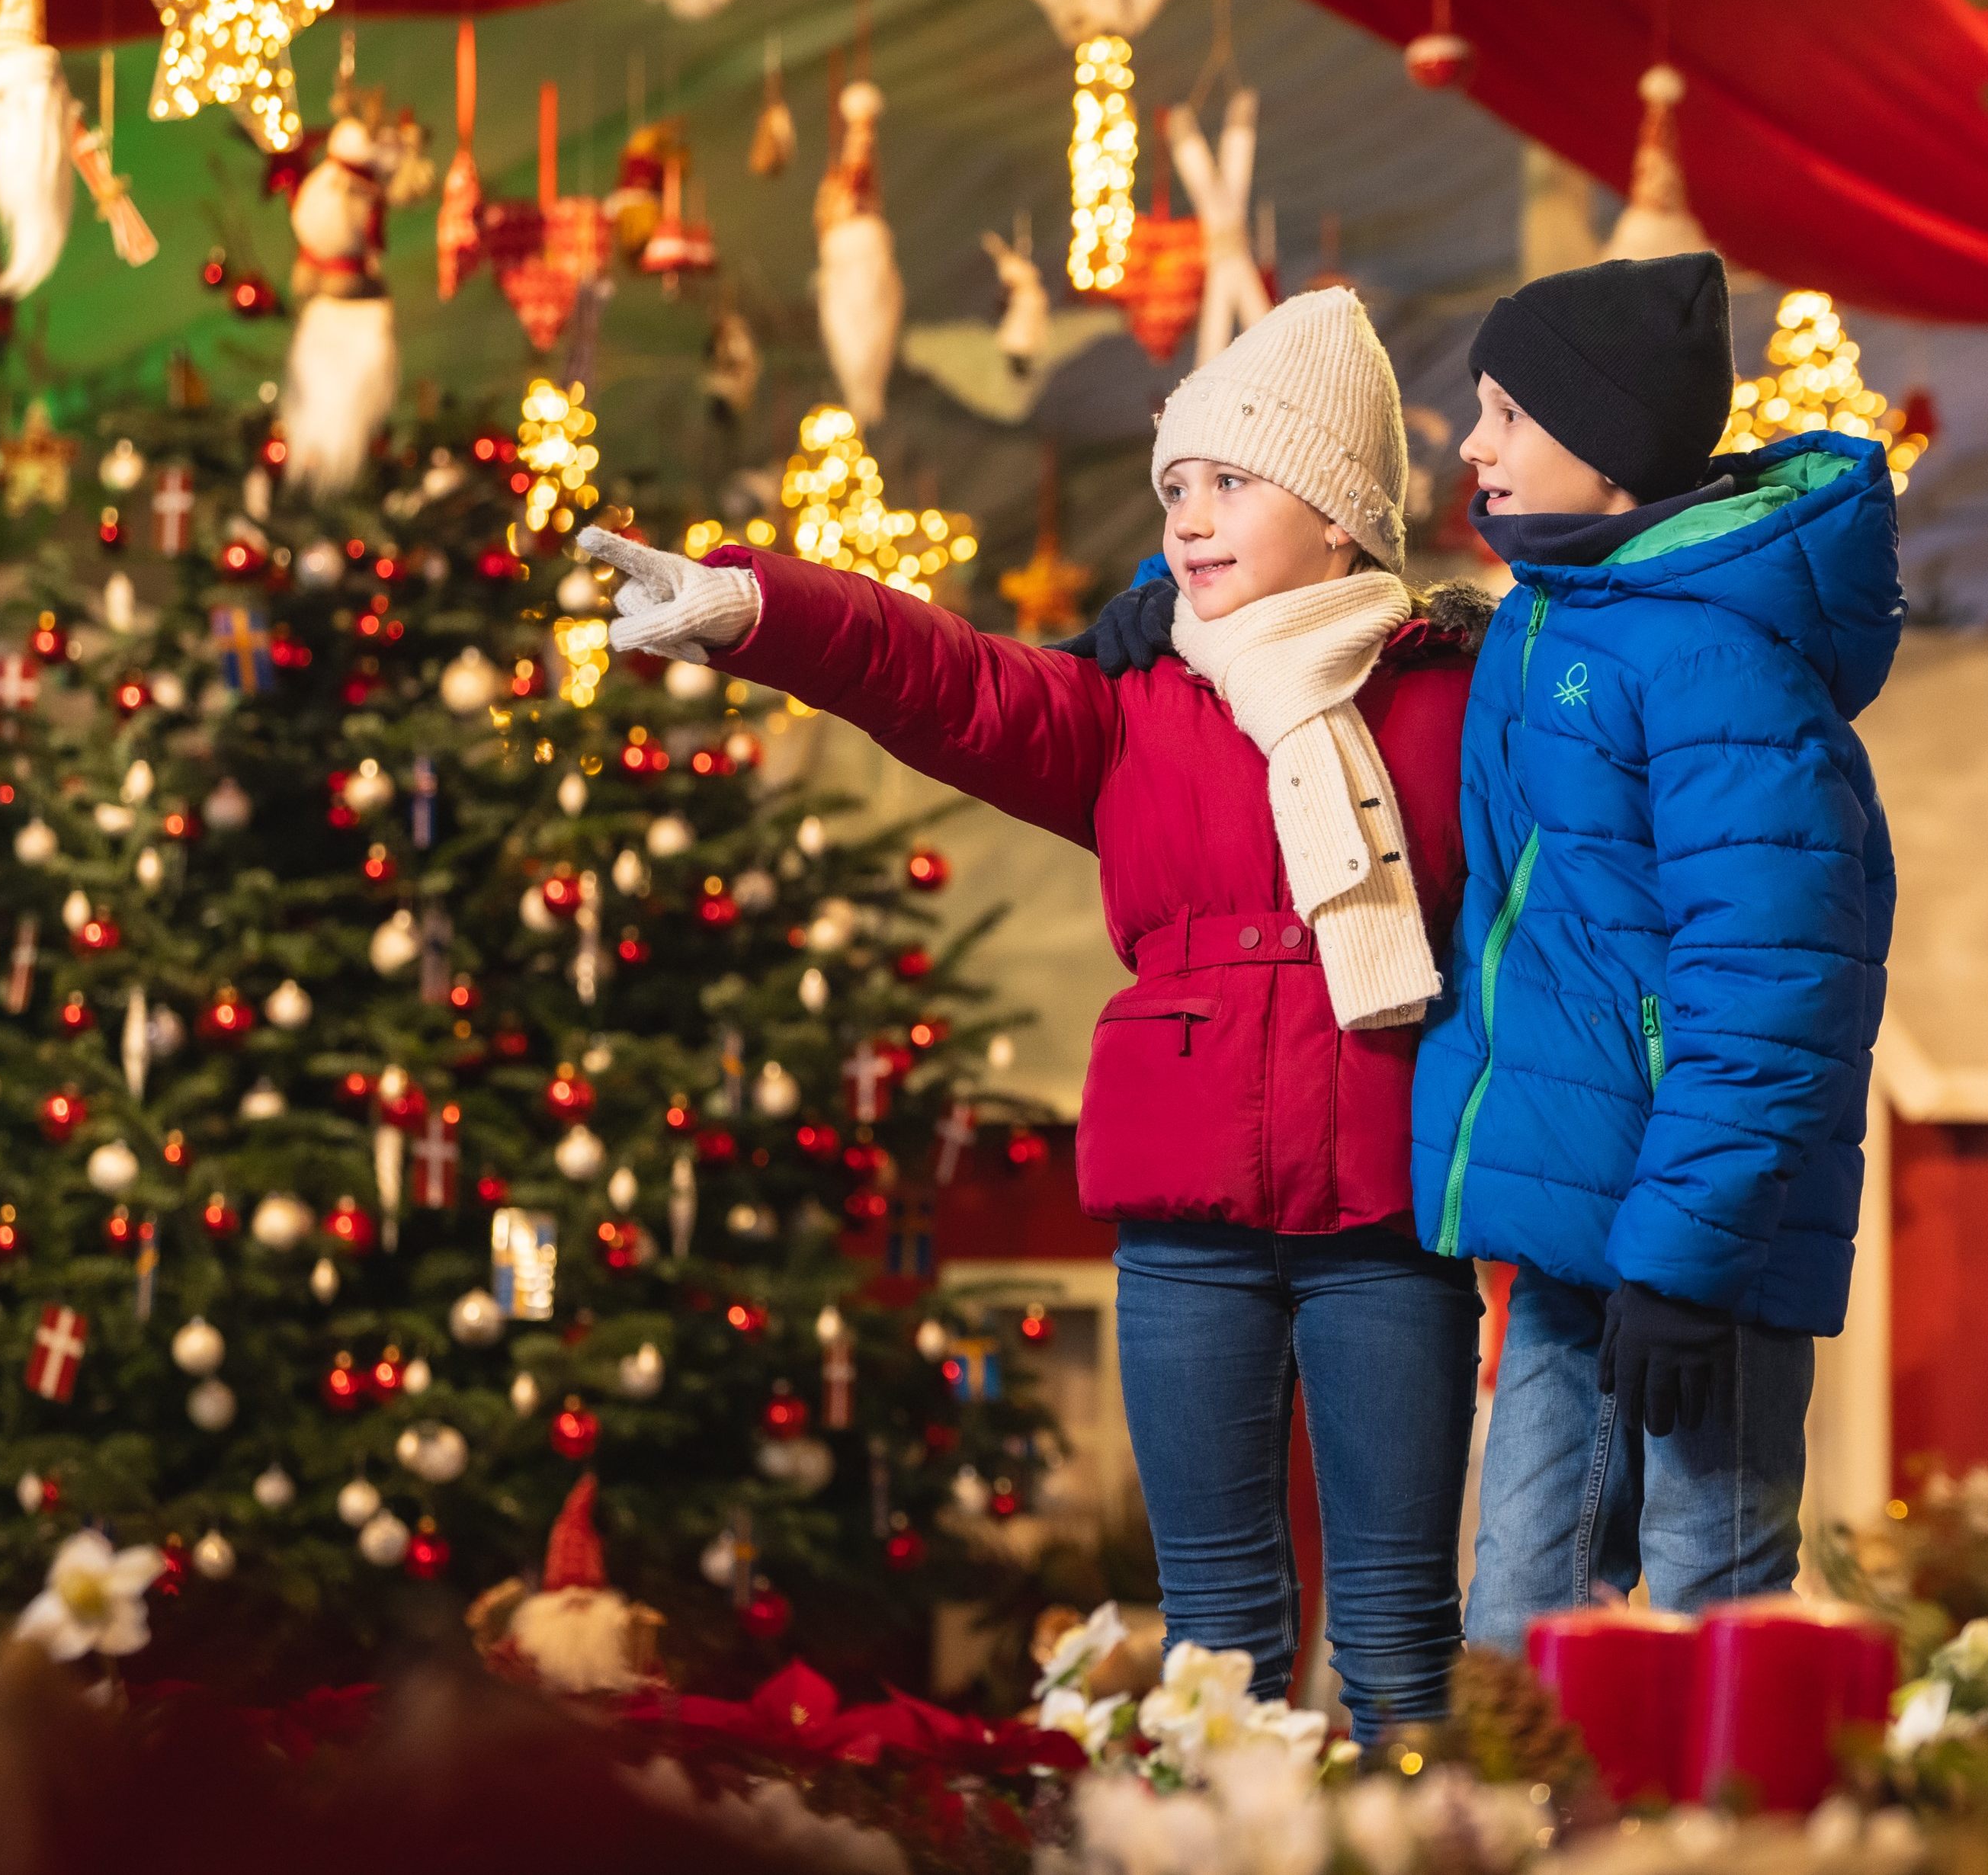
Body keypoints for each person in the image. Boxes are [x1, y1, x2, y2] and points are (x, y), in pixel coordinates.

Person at [581, 290, 1484, 1739]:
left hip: (1385, 1215)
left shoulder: (1456, 694)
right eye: (1173, 485)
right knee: (1216, 1621)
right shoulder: (1126, 706)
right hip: (1186, 1227)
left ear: (1341, 511)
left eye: (1233, 483)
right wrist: (763, 609)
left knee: (1393, 1615)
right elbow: (940, 678)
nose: (1187, 518)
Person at [1413, 252, 1902, 1652]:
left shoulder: (1713, 665)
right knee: (1519, 1621)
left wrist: (1687, 1262)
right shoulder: (1559, 620)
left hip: (1707, 1246)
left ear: (1608, 450)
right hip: (1586, 1229)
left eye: (1507, 413)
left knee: (1710, 1605)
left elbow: (1774, 982)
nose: (1473, 443)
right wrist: (1161, 603)